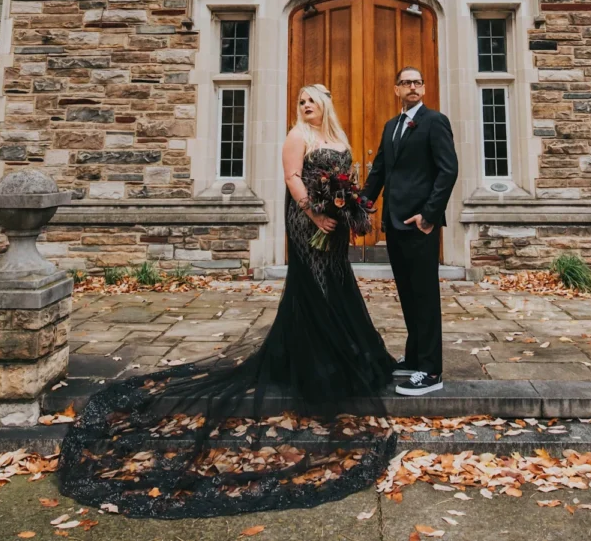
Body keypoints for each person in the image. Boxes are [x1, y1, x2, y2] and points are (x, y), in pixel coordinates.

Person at [57, 84, 397, 518]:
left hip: (333, 227)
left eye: (311, 101)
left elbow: (344, 184)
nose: (305, 106)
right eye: (301, 102)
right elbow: (293, 179)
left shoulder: (338, 138)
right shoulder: (298, 137)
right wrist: (314, 213)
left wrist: (345, 208)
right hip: (307, 221)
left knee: (337, 284)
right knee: (312, 287)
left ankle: (340, 355)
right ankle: (317, 362)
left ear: (325, 105)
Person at [361, 66, 459, 396]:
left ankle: (431, 372)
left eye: (418, 82)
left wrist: (430, 215)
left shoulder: (435, 121)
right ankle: (415, 356)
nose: (412, 87)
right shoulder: (392, 126)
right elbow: (380, 171)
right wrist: (360, 203)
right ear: (396, 89)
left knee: (425, 296)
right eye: (406, 82)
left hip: (421, 225)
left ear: (425, 88)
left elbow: (448, 170)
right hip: (394, 222)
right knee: (407, 293)